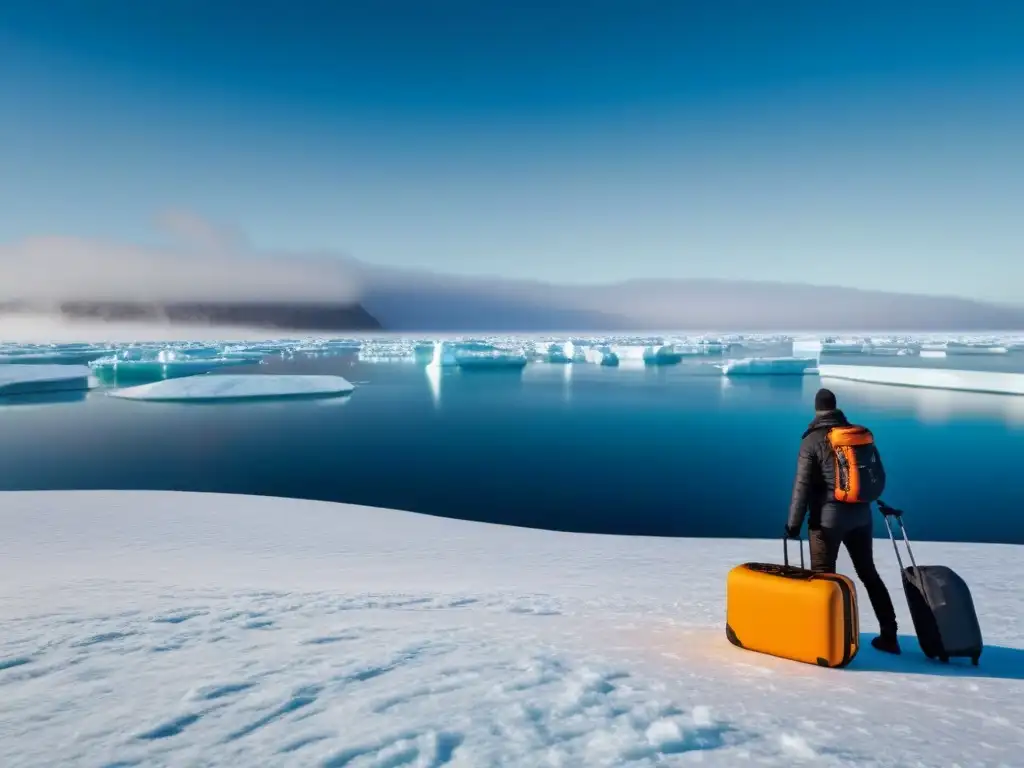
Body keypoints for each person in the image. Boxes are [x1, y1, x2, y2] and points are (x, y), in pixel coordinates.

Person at [785, 387, 901, 655]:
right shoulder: (858, 436)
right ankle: (889, 635)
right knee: (868, 574)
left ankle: (827, 640)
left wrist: (793, 524)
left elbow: (801, 487)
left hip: (827, 522)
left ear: (816, 410)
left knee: (824, 580)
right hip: (861, 516)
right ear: (836, 408)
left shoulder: (811, 440)